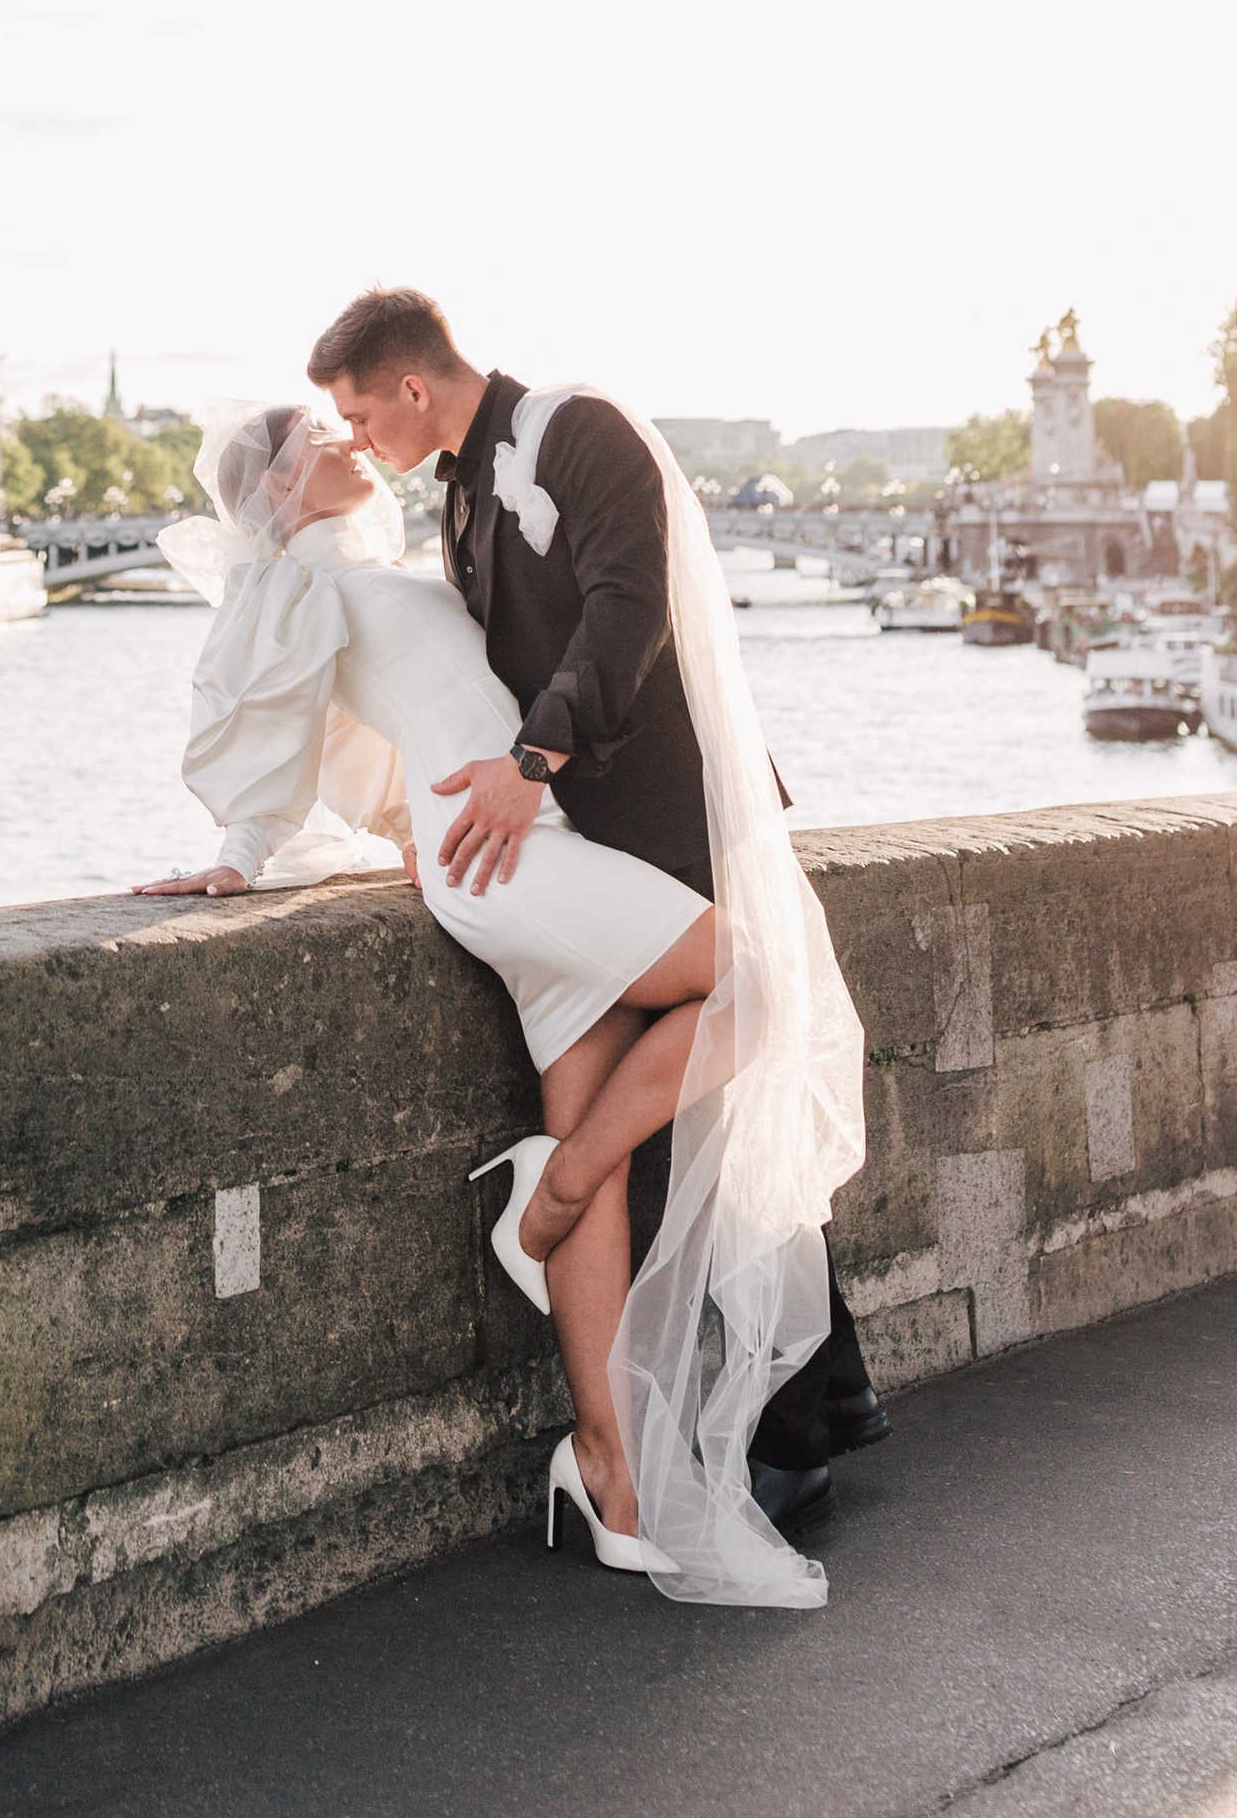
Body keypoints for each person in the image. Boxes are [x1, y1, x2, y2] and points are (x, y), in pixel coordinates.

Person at [138, 381, 864, 1606]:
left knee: (593, 1113)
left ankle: (610, 1477)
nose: (342, 437)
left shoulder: (389, 567)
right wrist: (238, 856)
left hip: (522, 850)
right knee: (753, 976)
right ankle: (561, 1182)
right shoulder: (298, 590)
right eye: (314, 434)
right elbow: (261, 727)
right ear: (271, 489)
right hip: (511, 864)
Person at [308, 287, 889, 1534]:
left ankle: (795, 1423)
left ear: (414, 385)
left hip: (680, 814)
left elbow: (630, 607)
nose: (360, 439)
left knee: (738, 1116)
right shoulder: (459, 497)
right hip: (586, 841)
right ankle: (802, 1405)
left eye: (362, 411)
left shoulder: (581, 432)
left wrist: (531, 768)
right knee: (698, 1126)